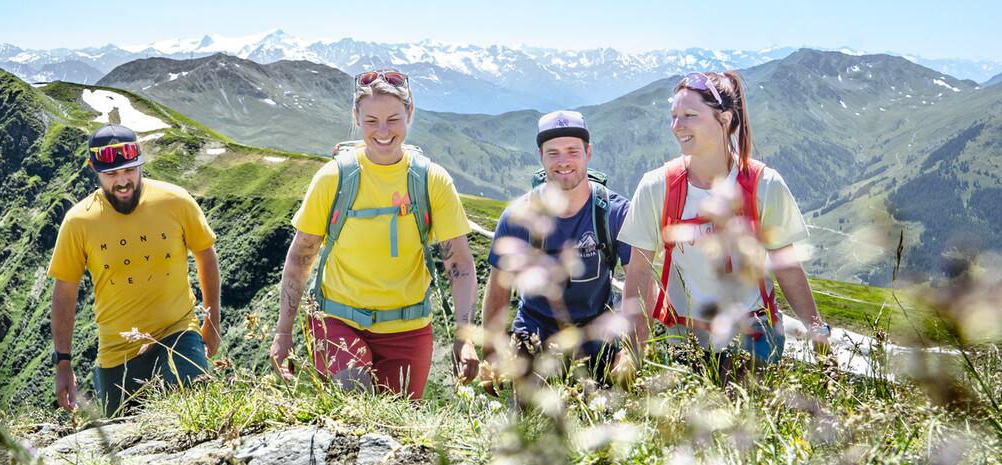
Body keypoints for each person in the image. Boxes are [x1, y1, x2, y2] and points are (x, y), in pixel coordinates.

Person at [269, 68, 479, 400]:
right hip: (336, 320)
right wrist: (284, 332)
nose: (383, 131)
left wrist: (464, 336)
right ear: (356, 117)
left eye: (393, 119)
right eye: (371, 121)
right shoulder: (333, 179)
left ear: (410, 114)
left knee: (398, 427)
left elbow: (460, 264)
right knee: (355, 396)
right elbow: (301, 256)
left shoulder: (432, 181)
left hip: (408, 329)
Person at [616, 71, 830, 377]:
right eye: (673, 116)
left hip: (754, 339)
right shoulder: (657, 186)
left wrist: (817, 332)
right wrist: (633, 346)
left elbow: (786, 266)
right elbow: (638, 270)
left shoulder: (764, 184)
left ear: (725, 119)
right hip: (683, 340)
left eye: (690, 115)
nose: (677, 126)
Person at [48, 124, 223, 416]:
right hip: (117, 355)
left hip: (179, 333)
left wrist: (212, 321)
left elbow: (205, 254)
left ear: (141, 163)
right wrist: (63, 362)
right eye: (112, 174)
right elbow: (65, 292)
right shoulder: (78, 222)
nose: (123, 181)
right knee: (126, 437)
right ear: (95, 171)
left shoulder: (175, 201)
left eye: (129, 170)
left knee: (194, 408)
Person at [480, 111, 647, 388]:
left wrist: (631, 349)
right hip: (533, 339)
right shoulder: (518, 217)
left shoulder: (615, 213)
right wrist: (490, 354)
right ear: (541, 157)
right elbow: (498, 289)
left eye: (572, 151)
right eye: (553, 153)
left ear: (588, 152)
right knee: (531, 427)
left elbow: (639, 282)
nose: (563, 161)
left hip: (598, 341)